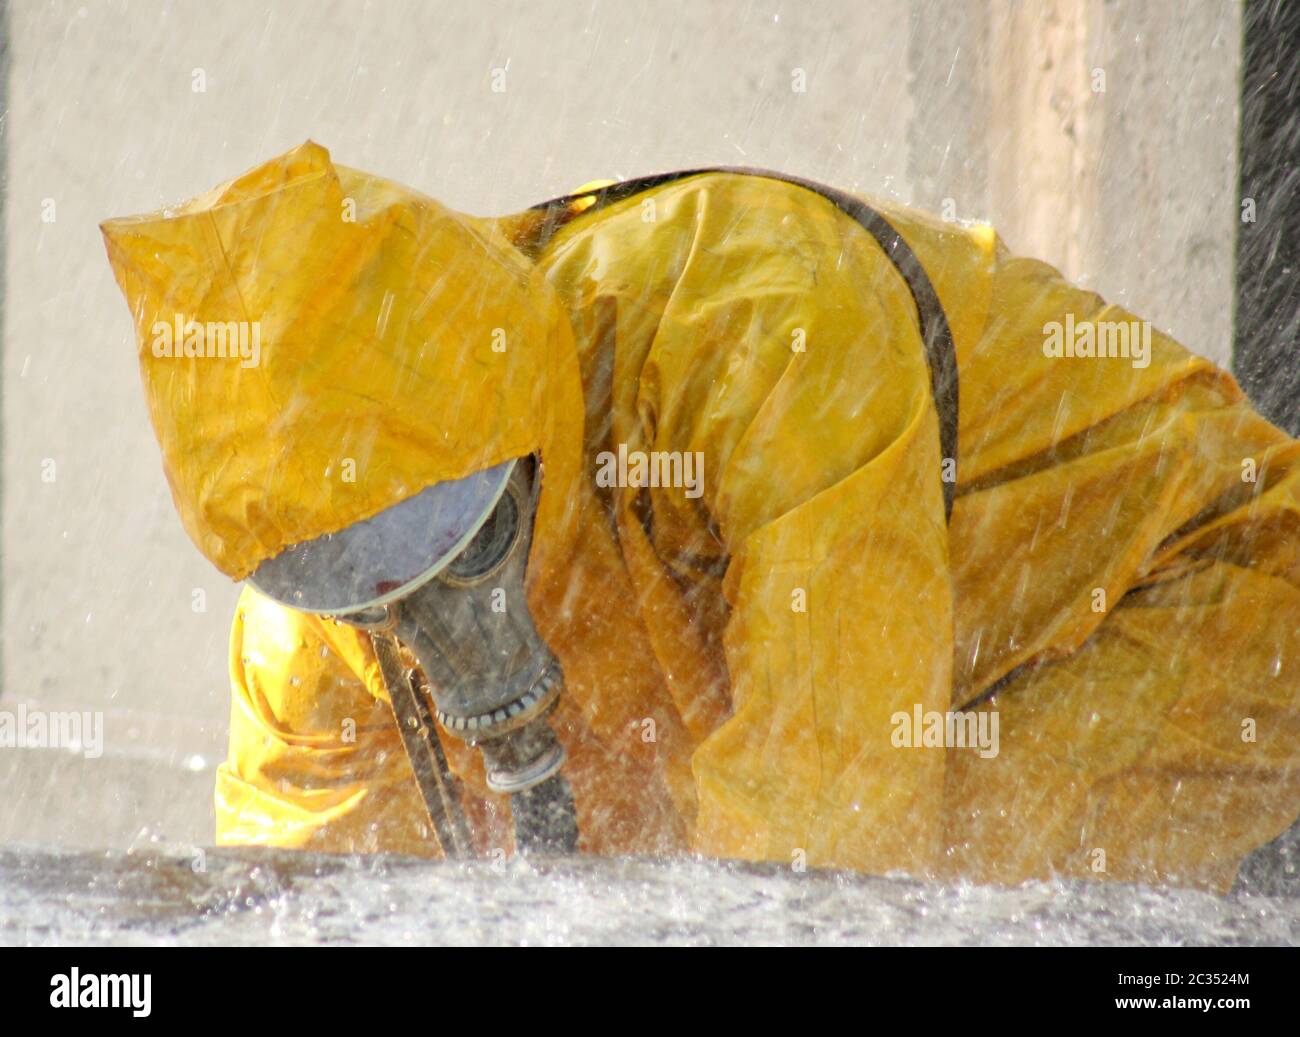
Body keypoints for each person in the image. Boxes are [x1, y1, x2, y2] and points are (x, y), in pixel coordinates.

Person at [102, 141, 1300, 892]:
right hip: (890, 700)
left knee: (944, 892)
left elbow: (821, 853)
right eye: (344, 570)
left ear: (521, 428)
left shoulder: (763, 328)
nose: (406, 603)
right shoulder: (321, 609)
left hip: (1196, 585)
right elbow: (301, 901)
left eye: (439, 538)